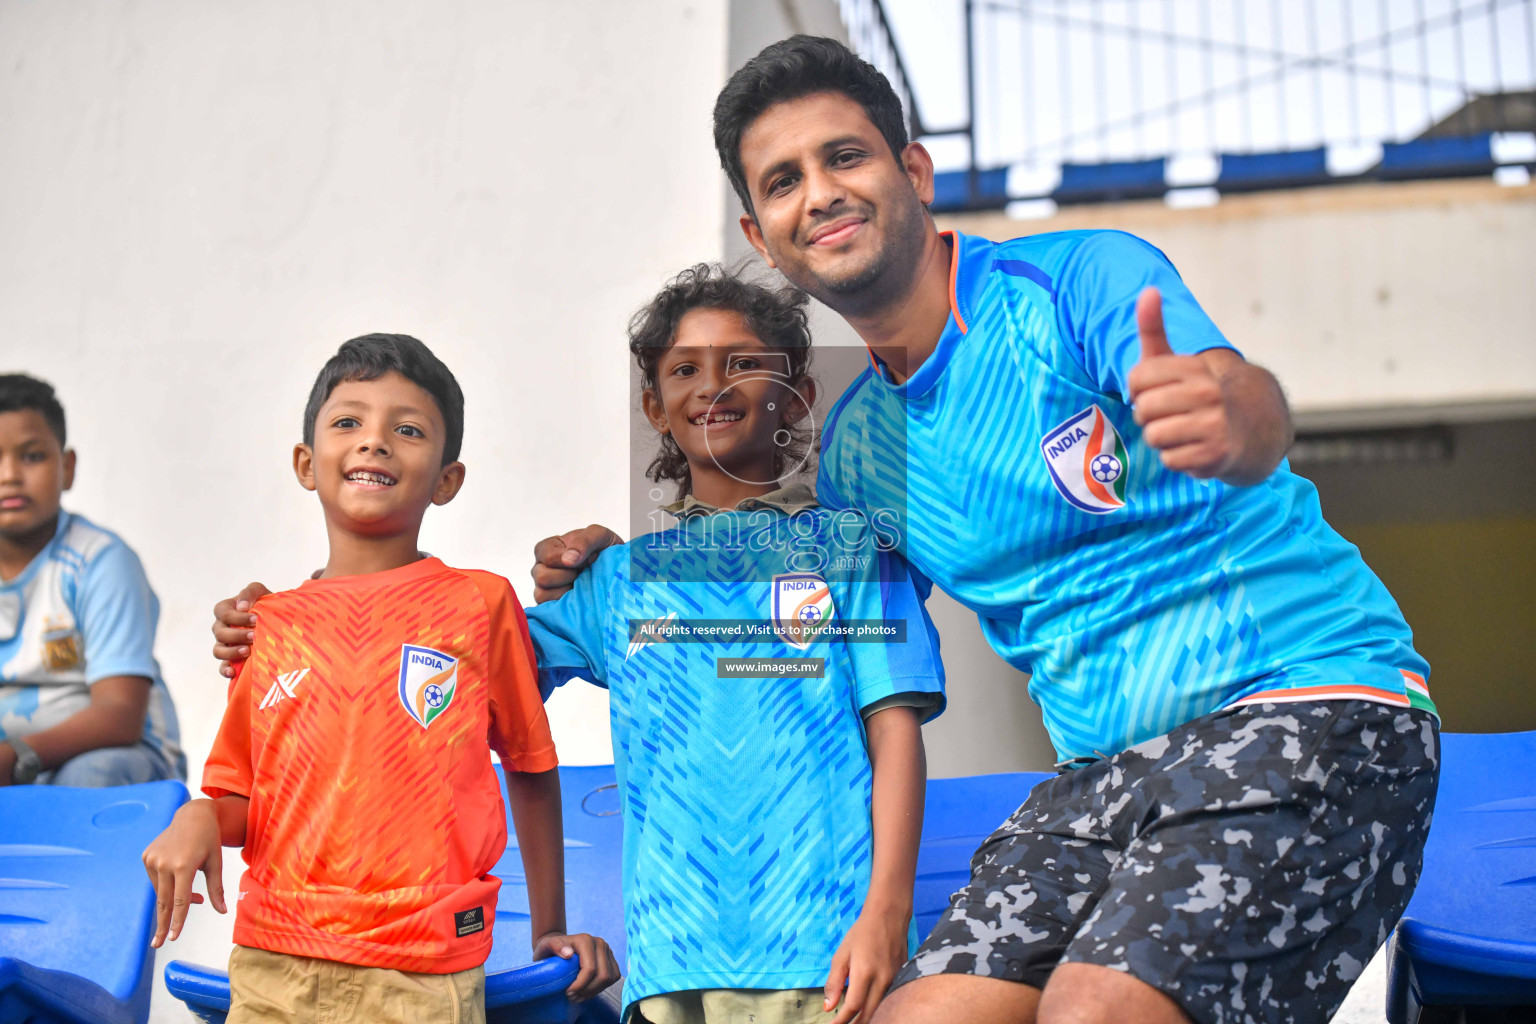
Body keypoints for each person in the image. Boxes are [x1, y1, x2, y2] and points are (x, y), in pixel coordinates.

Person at [528, 36, 1440, 1024]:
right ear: (763, 231)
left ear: (911, 171)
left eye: (845, 156)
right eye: (785, 181)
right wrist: (621, 565)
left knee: (1096, 1013)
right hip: (1104, 778)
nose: (820, 193)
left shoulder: (1079, 281)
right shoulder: (858, 453)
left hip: (1311, 710)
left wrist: (1238, 413)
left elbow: (1245, 407)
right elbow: (791, 604)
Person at [142, 335, 617, 1024]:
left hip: (422, 971)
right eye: (348, 422)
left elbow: (530, 764)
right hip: (272, 963)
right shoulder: (267, 625)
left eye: (408, 429)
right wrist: (199, 815)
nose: (374, 442)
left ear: (447, 480)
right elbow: (244, 800)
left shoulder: (480, 604)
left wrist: (549, 926)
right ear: (307, 463)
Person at [524, 265, 945, 1024]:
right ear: (656, 406)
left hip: (830, 959)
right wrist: (302, 606)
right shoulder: (618, 580)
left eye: (743, 363)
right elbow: (479, 667)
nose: (711, 385)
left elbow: (896, 738)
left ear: (797, 397)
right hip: (671, 972)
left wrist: (885, 914)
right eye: (685, 369)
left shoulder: (852, 552)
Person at [0, 373, 185, 788]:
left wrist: (17, 758)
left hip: (119, 757)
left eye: (31, 456)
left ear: (67, 469)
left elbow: (119, 715)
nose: (9, 474)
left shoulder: (99, 562)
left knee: (87, 779)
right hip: (13, 764)